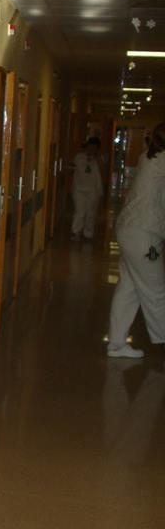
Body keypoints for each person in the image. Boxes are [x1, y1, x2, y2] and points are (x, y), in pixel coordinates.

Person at [107, 122, 165, 359]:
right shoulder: (162, 160)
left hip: (130, 229)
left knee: (129, 287)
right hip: (143, 234)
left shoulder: (148, 157)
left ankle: (117, 344)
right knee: (156, 289)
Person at [71, 136, 104, 240]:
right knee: (79, 212)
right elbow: (83, 169)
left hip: (93, 190)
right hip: (79, 189)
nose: (92, 149)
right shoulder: (79, 157)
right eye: (91, 146)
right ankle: (76, 232)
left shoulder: (99, 159)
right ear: (87, 146)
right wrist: (89, 159)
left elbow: (102, 171)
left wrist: (96, 159)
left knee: (91, 212)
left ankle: (88, 233)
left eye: (95, 147)